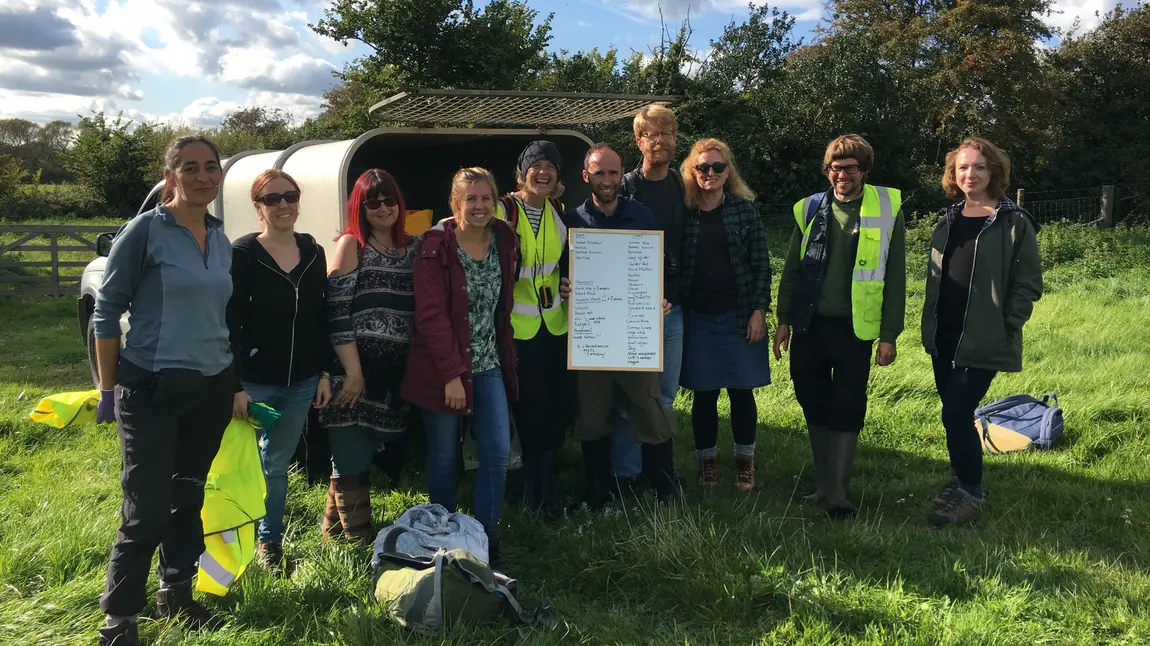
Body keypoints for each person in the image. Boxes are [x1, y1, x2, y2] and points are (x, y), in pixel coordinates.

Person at [92, 135, 233, 646]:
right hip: (150, 387)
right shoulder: (146, 231)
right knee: (146, 506)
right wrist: (109, 391)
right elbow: (107, 312)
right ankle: (119, 619)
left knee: (188, 496)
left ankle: (177, 594)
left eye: (210, 167)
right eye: (189, 168)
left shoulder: (219, 236)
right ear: (170, 176)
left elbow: (220, 317)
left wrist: (232, 383)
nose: (202, 176)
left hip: (210, 388)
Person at [773, 134, 906, 519]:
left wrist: (889, 334)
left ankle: (839, 493)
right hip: (810, 326)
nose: (842, 174)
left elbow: (894, 276)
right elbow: (792, 270)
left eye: (850, 167)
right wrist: (783, 320)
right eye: (835, 167)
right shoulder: (809, 208)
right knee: (812, 400)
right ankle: (823, 484)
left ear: (863, 170)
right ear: (827, 170)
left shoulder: (885, 209)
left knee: (847, 405)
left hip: (855, 330)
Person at [921, 137, 1042, 527]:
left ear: (994, 172)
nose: (969, 174)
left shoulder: (1013, 221)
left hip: (984, 337)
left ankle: (971, 491)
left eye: (977, 167)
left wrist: (1006, 325)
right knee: (953, 414)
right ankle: (961, 479)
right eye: (962, 168)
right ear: (952, 175)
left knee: (957, 411)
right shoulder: (949, 218)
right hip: (945, 335)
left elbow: (1027, 283)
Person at [402, 167, 519, 562]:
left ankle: (485, 536)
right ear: (455, 204)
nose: (480, 206)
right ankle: (442, 535)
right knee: (443, 454)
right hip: (442, 369)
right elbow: (431, 317)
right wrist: (452, 375)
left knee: (497, 451)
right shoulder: (435, 246)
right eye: (471, 199)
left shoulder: (505, 239)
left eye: (487, 198)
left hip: (489, 365)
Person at [226, 169, 332, 573]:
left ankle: (268, 542)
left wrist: (323, 371)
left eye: (290, 196)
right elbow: (229, 320)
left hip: (302, 382)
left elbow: (320, 316)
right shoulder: (243, 253)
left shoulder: (314, 252)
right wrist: (234, 385)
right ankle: (230, 536)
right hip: (252, 383)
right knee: (241, 464)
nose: (284, 204)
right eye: (273, 199)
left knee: (276, 463)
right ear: (258, 207)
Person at [563, 143, 678, 508]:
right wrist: (567, 287)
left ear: (621, 173)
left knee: (649, 408)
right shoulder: (572, 222)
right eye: (599, 173)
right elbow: (560, 274)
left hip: (635, 335)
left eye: (614, 173)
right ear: (586, 176)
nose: (608, 180)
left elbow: (656, 268)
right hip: (592, 338)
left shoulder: (642, 216)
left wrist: (658, 298)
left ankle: (664, 487)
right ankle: (598, 490)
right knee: (592, 415)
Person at [320, 169, 418, 542]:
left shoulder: (414, 247)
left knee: (353, 463)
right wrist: (354, 373)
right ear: (359, 207)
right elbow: (336, 312)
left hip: (392, 375)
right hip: (352, 369)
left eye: (389, 199)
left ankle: (333, 539)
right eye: (372, 201)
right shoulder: (351, 246)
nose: (382, 208)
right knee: (351, 459)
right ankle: (360, 546)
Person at [678, 138, 772, 493]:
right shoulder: (683, 213)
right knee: (703, 394)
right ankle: (707, 466)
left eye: (718, 167)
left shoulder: (745, 211)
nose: (711, 173)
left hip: (738, 314)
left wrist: (758, 311)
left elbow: (762, 264)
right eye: (703, 167)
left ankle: (745, 464)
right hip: (697, 315)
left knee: (741, 391)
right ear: (692, 171)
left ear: (728, 172)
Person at [495, 141, 576, 515]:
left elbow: (561, 264)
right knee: (531, 409)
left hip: (555, 327)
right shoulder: (502, 209)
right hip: (518, 331)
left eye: (551, 167)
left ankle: (546, 486)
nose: (543, 172)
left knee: (558, 406)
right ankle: (532, 494)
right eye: (536, 165)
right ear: (522, 170)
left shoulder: (558, 211)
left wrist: (569, 282)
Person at [613, 104, 687, 491]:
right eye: (652, 135)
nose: (660, 141)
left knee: (667, 395)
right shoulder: (624, 187)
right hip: (631, 310)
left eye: (667, 133)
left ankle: (659, 474)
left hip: (672, 307)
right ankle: (625, 475)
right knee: (632, 398)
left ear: (676, 139)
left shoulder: (683, 184)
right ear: (639, 141)